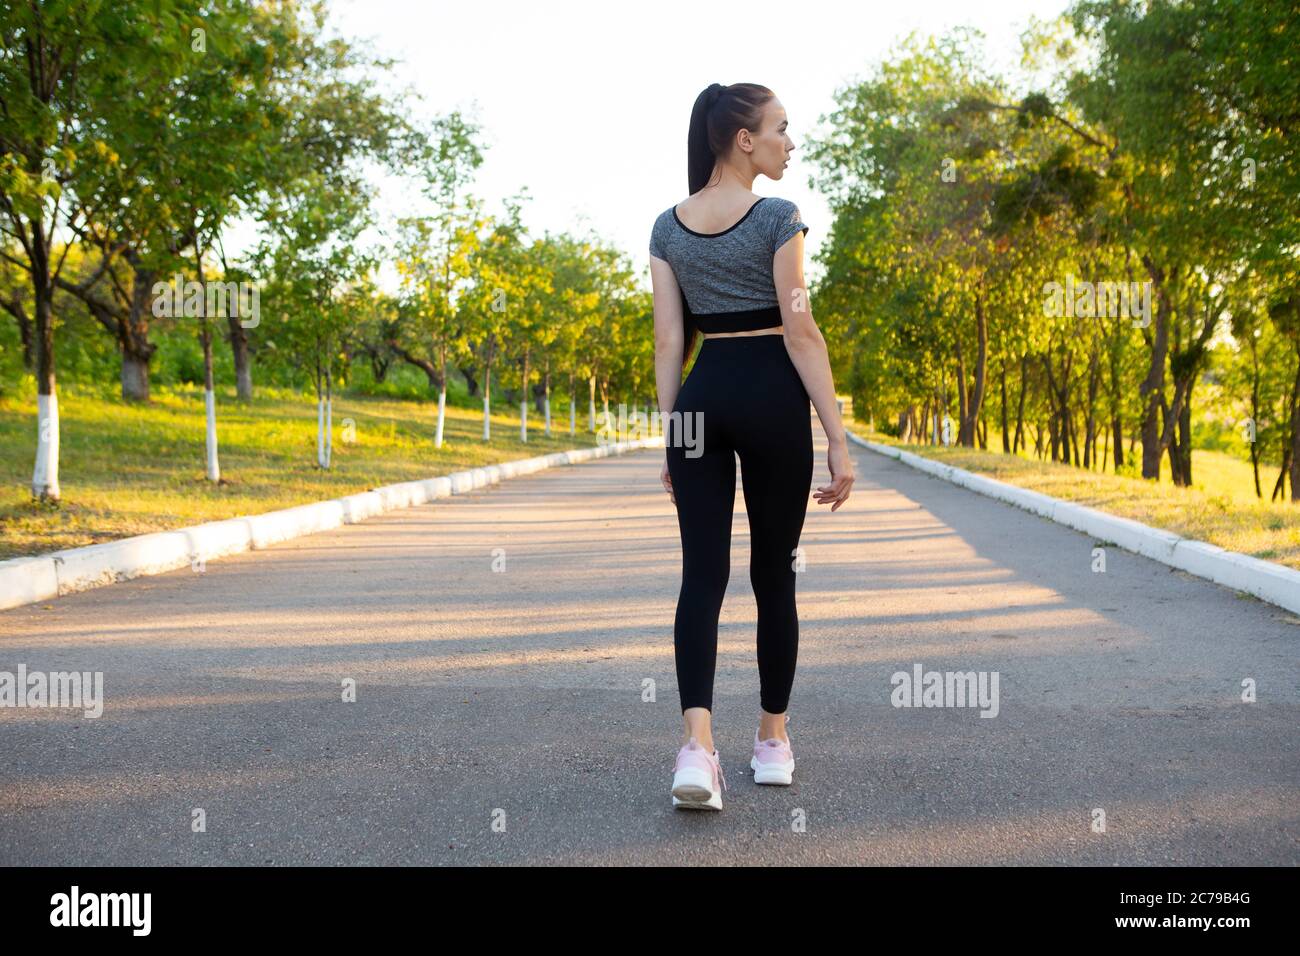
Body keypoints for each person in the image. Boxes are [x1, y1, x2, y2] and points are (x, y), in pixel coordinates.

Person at [649, 82, 855, 811]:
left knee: (700, 574)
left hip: (703, 400)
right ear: (744, 139)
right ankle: (772, 742)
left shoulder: (668, 226)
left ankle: (697, 752)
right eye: (780, 129)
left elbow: (671, 341)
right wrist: (837, 436)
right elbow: (801, 330)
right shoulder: (779, 217)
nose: (789, 143)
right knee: (775, 575)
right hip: (772, 399)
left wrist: (675, 436)